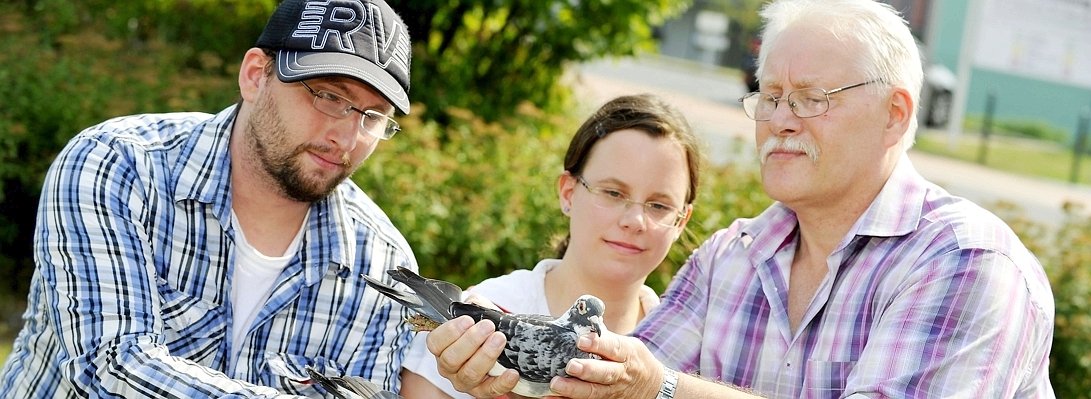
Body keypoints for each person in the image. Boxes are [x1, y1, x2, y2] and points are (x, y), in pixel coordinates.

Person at [424, 0, 1057, 398]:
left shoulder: (965, 262)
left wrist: (662, 389)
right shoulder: (730, 257)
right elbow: (614, 388)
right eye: (771, 96)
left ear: (895, 113)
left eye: (810, 99)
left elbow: (650, 385)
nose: (780, 120)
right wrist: (505, 377)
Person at [0, 0, 420, 397]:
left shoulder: (383, 267)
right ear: (255, 76)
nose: (347, 137)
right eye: (329, 97)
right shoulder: (117, 165)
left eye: (373, 116)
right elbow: (111, 367)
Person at [398, 94, 704, 399]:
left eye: (659, 205)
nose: (634, 220)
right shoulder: (475, 323)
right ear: (568, 193)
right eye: (613, 192)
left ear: (682, 220)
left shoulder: (692, 356)